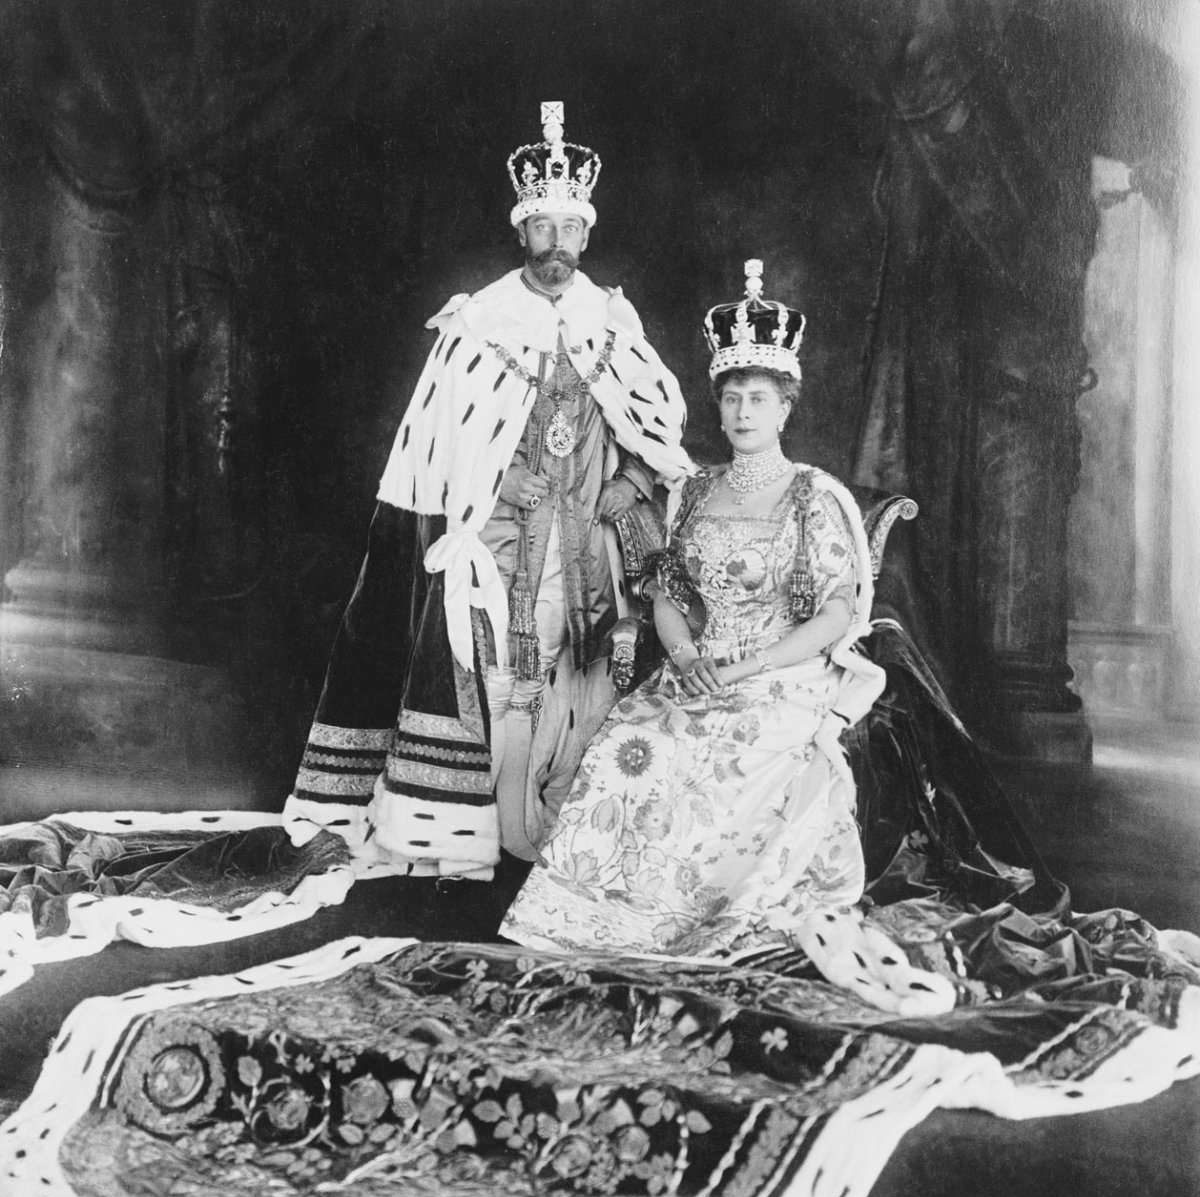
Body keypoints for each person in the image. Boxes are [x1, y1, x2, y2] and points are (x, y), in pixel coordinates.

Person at [500, 261, 946, 1011]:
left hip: (783, 672)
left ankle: (702, 920)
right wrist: (683, 655)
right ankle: (605, 916)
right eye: (733, 398)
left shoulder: (812, 494)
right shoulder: (697, 489)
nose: (742, 412)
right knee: (630, 743)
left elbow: (837, 614)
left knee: (724, 753)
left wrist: (752, 666)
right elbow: (667, 590)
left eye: (758, 399)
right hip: (698, 665)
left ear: (784, 408)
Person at [284, 103, 692, 878]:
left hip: (587, 547)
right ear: (522, 231)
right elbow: (441, 440)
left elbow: (655, 425)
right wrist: (501, 477)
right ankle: (482, 833)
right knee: (501, 678)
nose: (557, 246)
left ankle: (566, 832)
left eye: (571, 231)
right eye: (544, 229)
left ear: (587, 235)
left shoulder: (610, 320)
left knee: (585, 677)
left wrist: (633, 480)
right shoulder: (480, 324)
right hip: (502, 539)